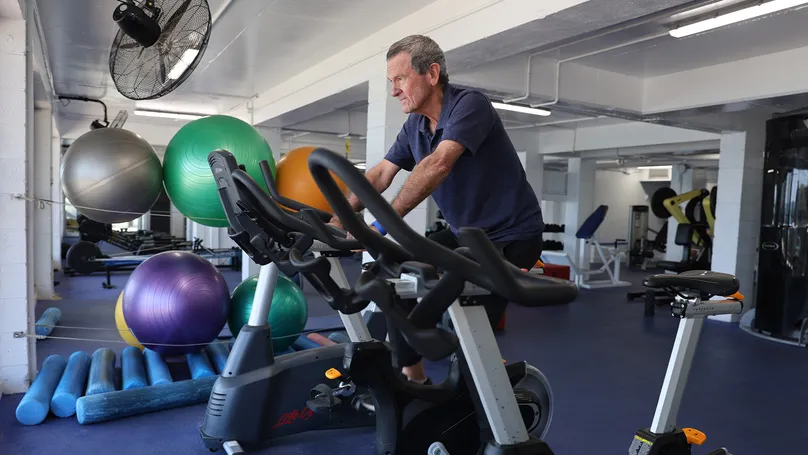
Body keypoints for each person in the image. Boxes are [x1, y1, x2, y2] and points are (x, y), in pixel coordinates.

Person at [328, 34, 545, 384]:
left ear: (431, 73)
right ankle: (414, 377)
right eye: (391, 82)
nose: (394, 90)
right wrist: (337, 223)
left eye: (400, 79)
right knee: (391, 270)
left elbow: (438, 165)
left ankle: (486, 412)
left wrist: (380, 225)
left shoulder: (469, 104)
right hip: (466, 234)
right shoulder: (415, 125)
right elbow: (380, 175)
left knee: (469, 331)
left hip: (511, 237)